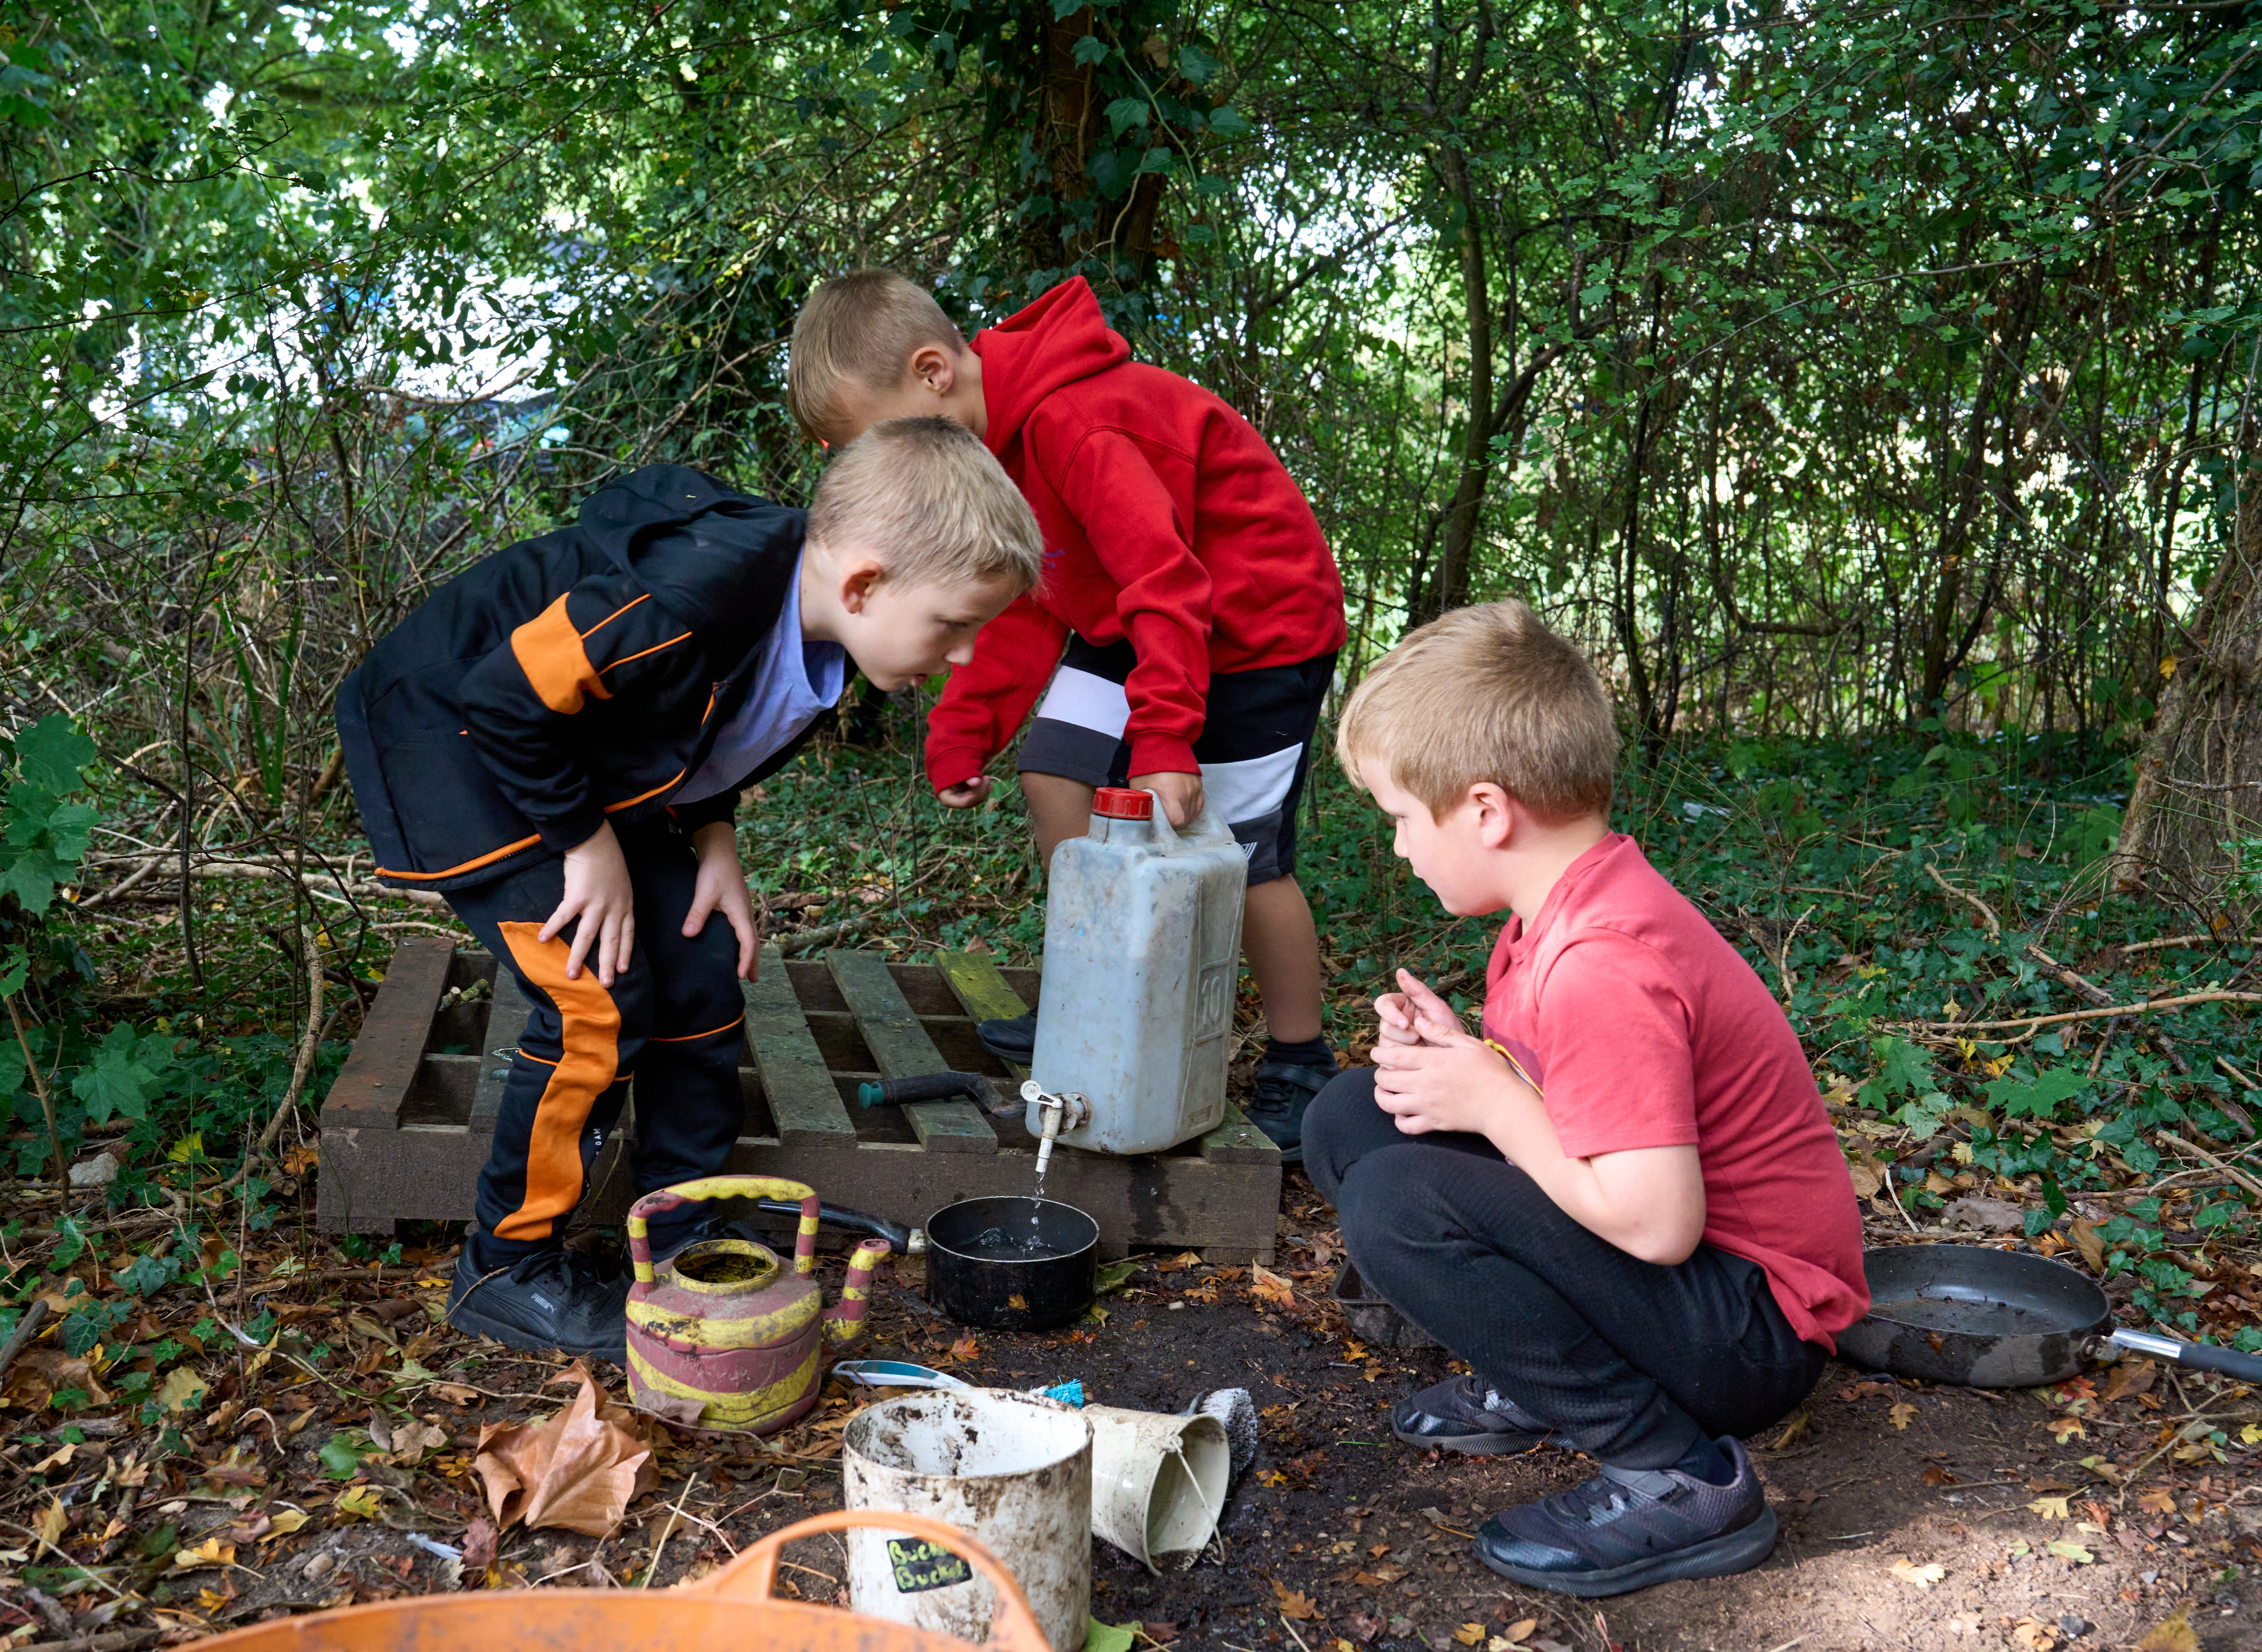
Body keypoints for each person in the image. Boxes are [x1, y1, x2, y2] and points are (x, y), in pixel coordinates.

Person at [335, 418, 1040, 1361]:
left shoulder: (824, 631)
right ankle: (506, 1267)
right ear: (867, 583)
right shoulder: (691, 597)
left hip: (571, 763)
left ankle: (680, 1221)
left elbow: (707, 726)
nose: (962, 656)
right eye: (955, 624)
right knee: (595, 995)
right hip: (457, 743)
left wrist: (714, 837)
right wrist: (589, 847)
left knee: (702, 955)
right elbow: (506, 698)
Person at [1303, 600, 1868, 1597]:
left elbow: (1657, 1226)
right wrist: (1465, 1068)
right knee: (1354, 1118)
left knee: (1397, 1202)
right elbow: (1576, 1109)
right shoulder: (1564, 915)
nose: (1397, 849)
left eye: (1399, 818)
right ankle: (1540, 1382)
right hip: (1693, 1294)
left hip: (1745, 1330)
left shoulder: (1602, 962)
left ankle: (1676, 1472)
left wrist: (1491, 1100)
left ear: (1486, 809)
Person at [785, 270, 1349, 1161]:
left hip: (1256, 628)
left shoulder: (1077, 423)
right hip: (1133, 617)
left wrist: (1166, 739)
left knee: (1242, 849)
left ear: (934, 373)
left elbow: (1170, 583)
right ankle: (1101, 985)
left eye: (889, 438)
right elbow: (1029, 604)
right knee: (1055, 768)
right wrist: (965, 728)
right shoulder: (990, 454)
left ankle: (1300, 1058)